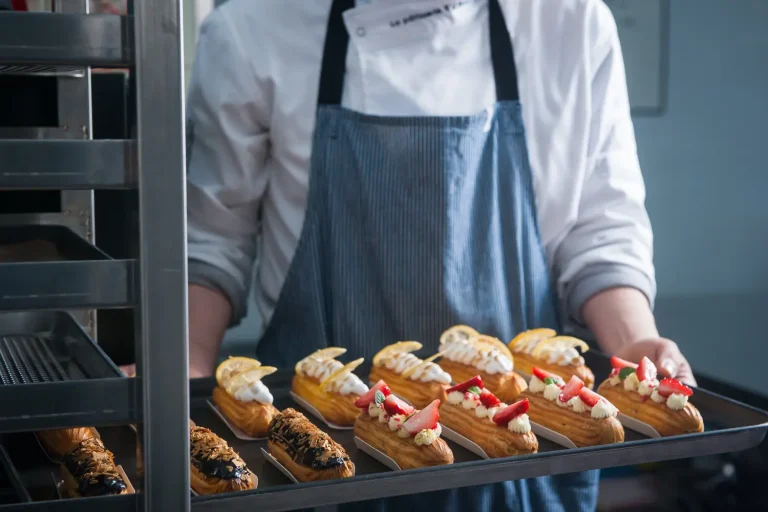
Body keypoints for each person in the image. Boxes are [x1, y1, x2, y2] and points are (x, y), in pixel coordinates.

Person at [125, 0, 698, 510]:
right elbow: (210, 240)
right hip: (316, 460)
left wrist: (634, 345)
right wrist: (185, 373)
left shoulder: (569, 23)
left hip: (520, 460)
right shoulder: (256, 27)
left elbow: (598, 230)